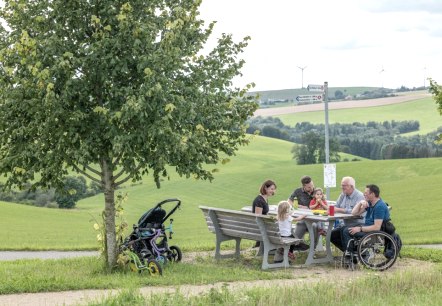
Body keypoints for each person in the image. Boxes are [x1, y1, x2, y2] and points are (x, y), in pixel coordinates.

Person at [341, 184, 391, 260]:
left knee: (347, 231)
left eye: (366, 193)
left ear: (373, 194)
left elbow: (376, 227)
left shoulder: (379, 206)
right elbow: (354, 213)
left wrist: (360, 229)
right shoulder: (370, 204)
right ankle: (354, 254)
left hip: (375, 234)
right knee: (343, 229)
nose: (364, 194)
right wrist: (360, 202)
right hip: (368, 230)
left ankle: (351, 257)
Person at [330, 177, 366, 252]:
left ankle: (351, 255)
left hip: (358, 224)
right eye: (341, 185)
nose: (342, 187)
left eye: (344, 185)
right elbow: (336, 206)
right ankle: (351, 252)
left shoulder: (360, 196)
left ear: (351, 186)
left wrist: (339, 210)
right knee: (331, 234)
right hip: (346, 223)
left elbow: (355, 212)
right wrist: (329, 209)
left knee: (345, 231)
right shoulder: (343, 195)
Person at [287, 175, 315, 251]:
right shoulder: (298, 191)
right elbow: (289, 201)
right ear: (304, 186)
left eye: (312, 185)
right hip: (303, 217)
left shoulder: (317, 192)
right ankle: (296, 244)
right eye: (309, 187)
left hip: (315, 218)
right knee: (301, 223)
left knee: (302, 223)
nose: (311, 188)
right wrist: (299, 206)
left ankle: (295, 244)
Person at [252, 179, 276, 248]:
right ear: (265, 188)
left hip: (263, 225)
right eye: (271, 189)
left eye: (274, 189)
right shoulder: (259, 200)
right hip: (260, 227)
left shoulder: (264, 198)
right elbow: (258, 217)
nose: (273, 191)